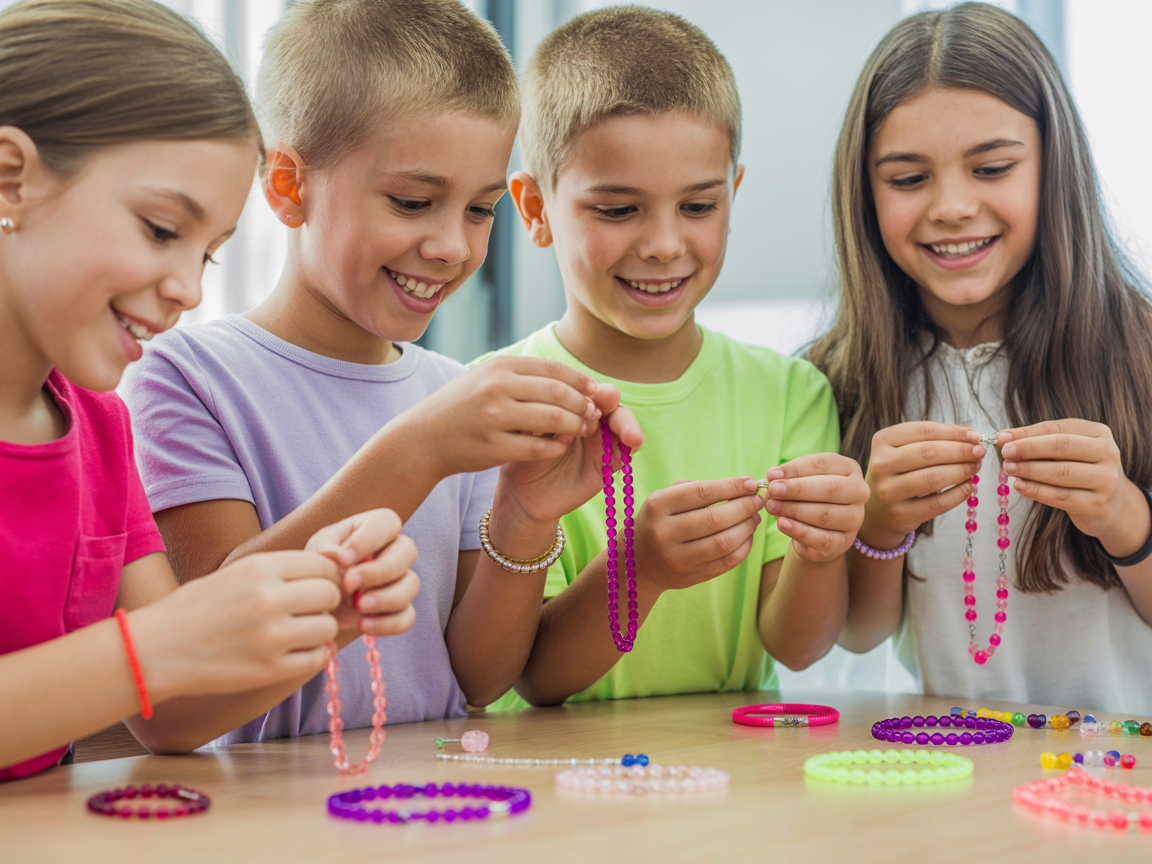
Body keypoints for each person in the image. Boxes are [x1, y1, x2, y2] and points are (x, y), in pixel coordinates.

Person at [121, 0, 641, 744]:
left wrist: (527, 514)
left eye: (480, 210)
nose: (451, 247)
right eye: (412, 201)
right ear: (289, 186)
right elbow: (201, 641)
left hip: (432, 806)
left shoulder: (450, 393)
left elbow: (479, 679)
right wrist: (419, 451)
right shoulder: (187, 376)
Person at [0, 0, 413, 781]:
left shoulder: (100, 430)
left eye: (211, 255)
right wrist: (153, 646)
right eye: (162, 229)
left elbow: (170, 715)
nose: (189, 290)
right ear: (9, 178)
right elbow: (148, 658)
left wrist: (319, 615)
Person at [476, 7, 869, 708]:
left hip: (738, 786)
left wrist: (825, 547)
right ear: (535, 208)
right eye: (618, 210)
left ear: (732, 195)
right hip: (555, 795)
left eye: (697, 207)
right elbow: (527, 677)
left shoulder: (791, 394)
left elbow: (798, 647)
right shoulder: (494, 402)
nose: (663, 244)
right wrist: (640, 570)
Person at [812, 2, 1152, 714]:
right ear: (864, 193)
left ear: (1053, 167)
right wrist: (879, 524)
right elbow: (860, 633)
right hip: (950, 777)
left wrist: (1125, 517)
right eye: (908, 180)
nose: (953, 206)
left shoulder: (1140, 350)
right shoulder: (834, 380)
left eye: (992, 167)